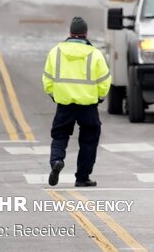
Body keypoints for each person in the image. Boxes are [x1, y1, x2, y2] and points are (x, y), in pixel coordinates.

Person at [42, 17, 111, 187]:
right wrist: (99, 98)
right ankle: (82, 177)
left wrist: (54, 95)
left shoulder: (56, 52)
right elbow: (104, 81)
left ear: (70, 33)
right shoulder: (95, 54)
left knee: (60, 135)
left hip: (64, 104)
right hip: (88, 105)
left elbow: (47, 80)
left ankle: (57, 161)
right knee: (89, 140)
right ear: (86, 33)